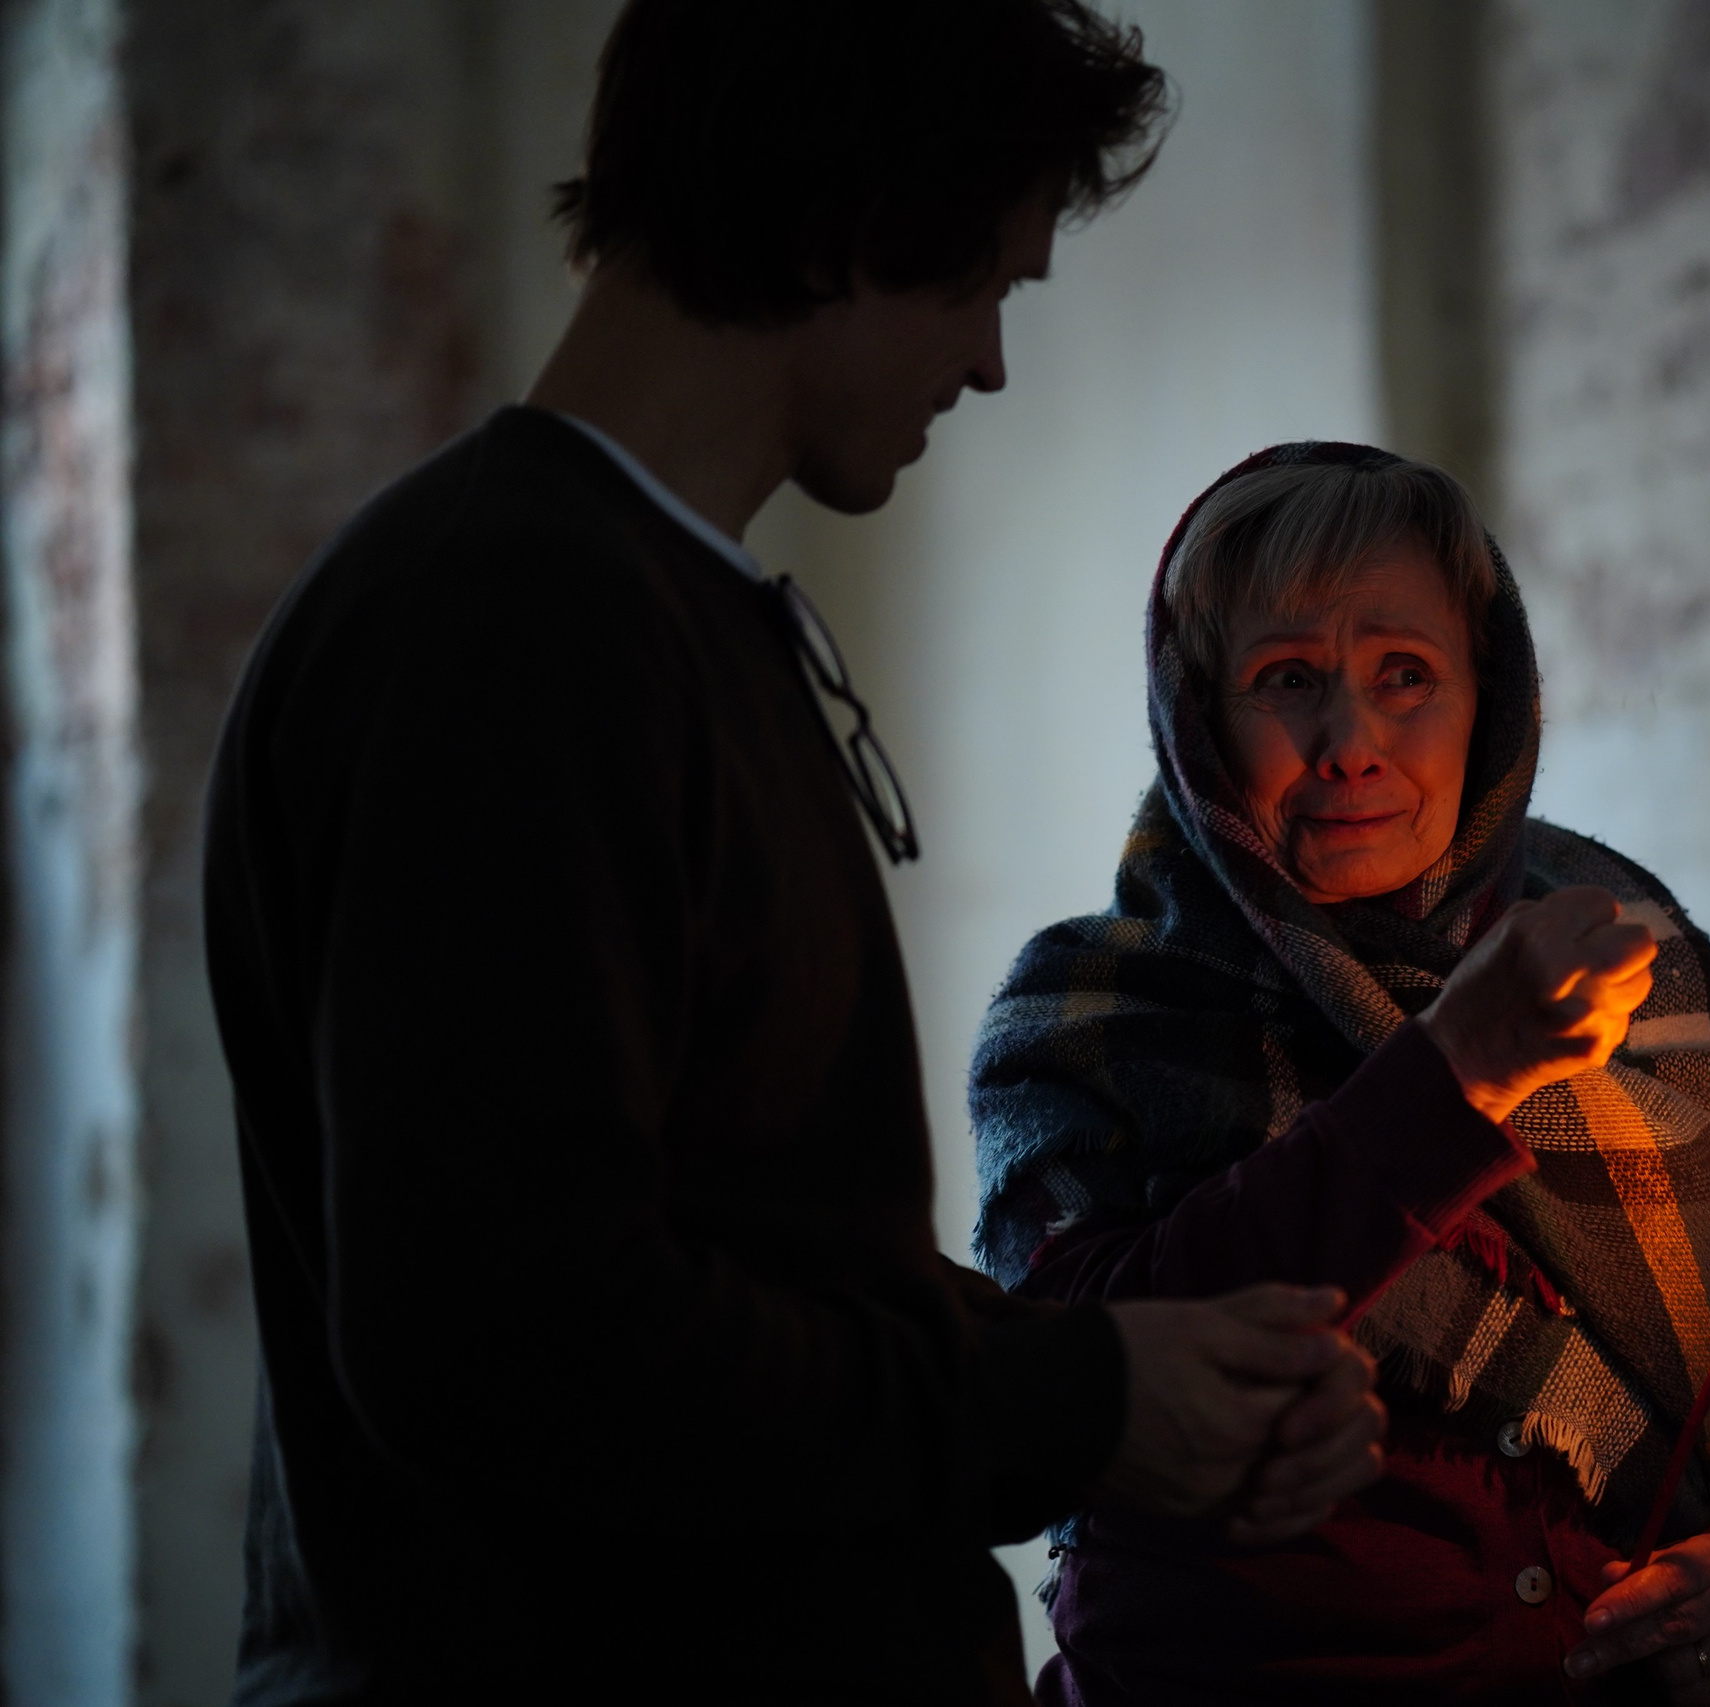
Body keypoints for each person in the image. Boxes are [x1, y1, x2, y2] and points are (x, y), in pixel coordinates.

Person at [202, 7, 1387, 1703]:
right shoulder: (512, 625)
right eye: (983, 285)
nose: (987, 362)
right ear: (851, 220)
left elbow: (753, 1257)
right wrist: (1078, 1403)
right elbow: (518, 1340)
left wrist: (1113, 1364)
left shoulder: (631, 599)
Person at [973, 443, 1710, 1705]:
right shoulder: (1093, 1013)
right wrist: (1454, 1073)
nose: (1350, 743)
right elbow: (1088, 1388)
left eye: (1404, 675)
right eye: (1287, 680)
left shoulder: (1632, 965)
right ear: (1197, 718)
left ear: (1489, 700)